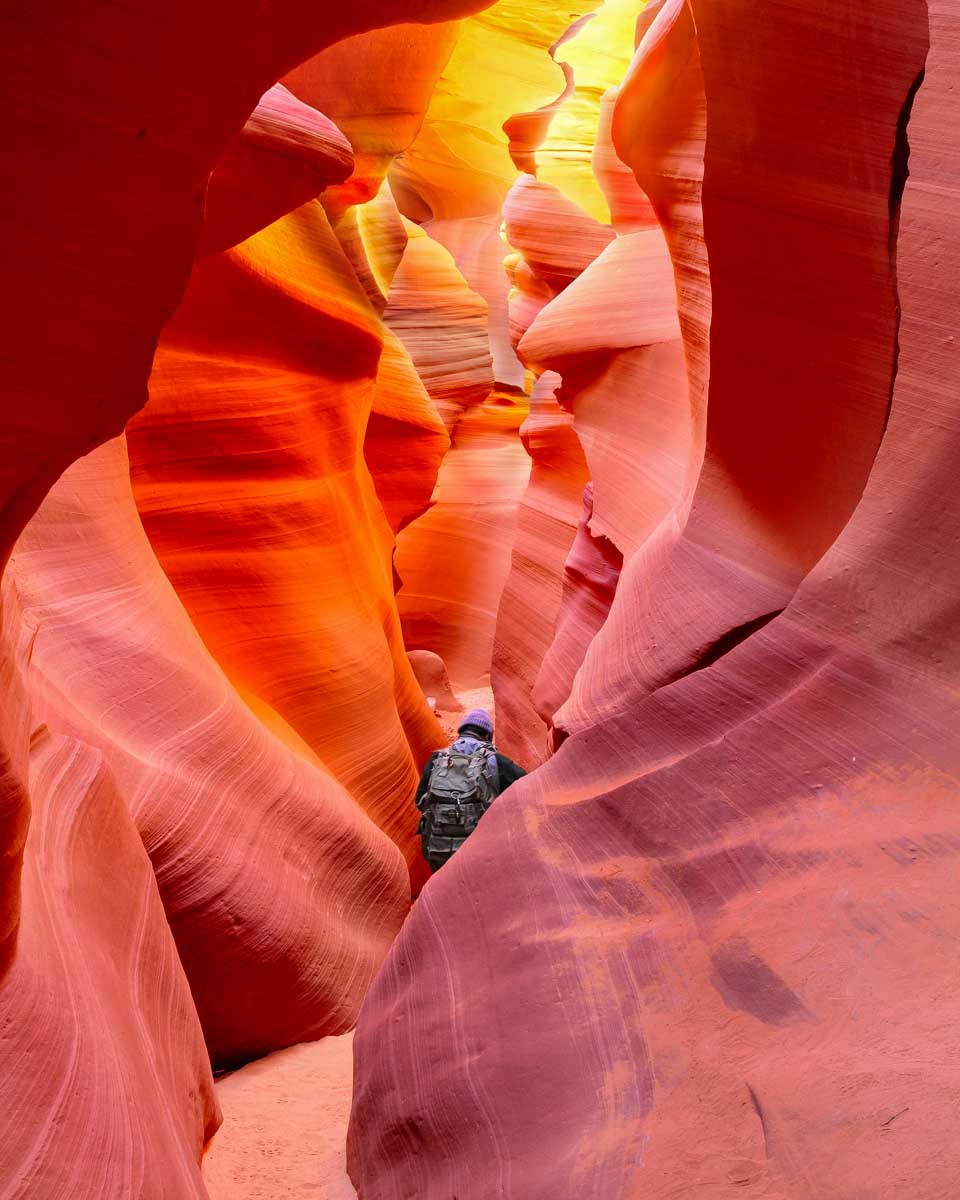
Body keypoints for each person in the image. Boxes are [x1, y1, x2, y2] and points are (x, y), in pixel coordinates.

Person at [416, 708, 526, 872]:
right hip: (479, 852)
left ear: (461, 732)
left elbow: (419, 801)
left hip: (438, 849)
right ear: (488, 735)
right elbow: (527, 786)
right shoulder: (494, 761)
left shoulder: (438, 758)